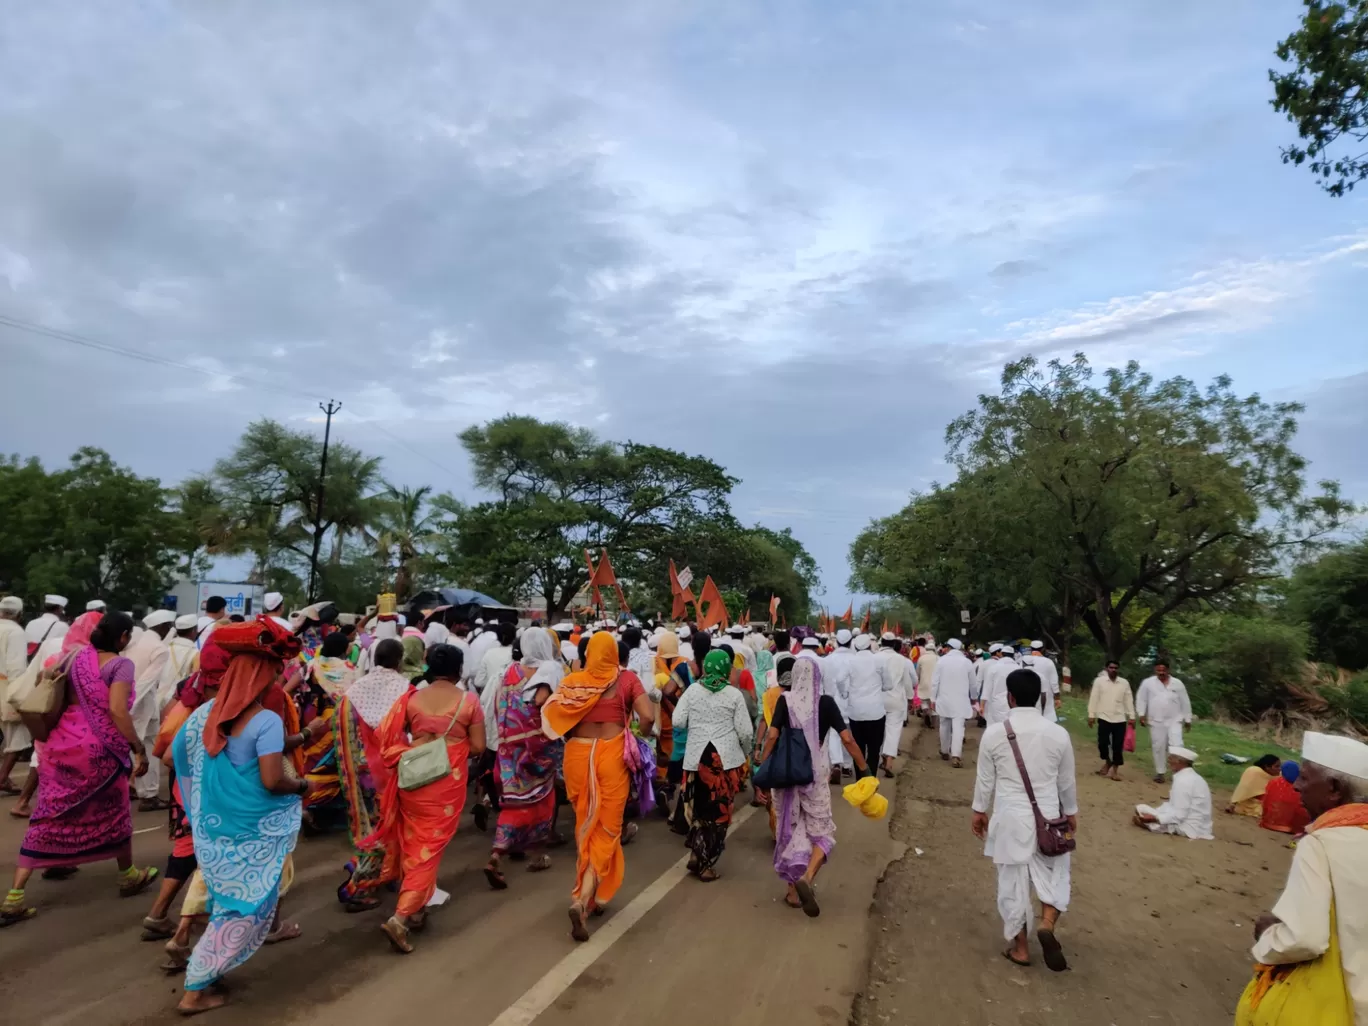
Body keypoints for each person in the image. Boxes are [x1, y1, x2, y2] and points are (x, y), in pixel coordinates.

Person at [170, 618, 310, 1013]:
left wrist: (204, 796)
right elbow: (270, 780)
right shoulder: (265, 719)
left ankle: (212, 975)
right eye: (274, 674)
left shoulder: (204, 716)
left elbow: (177, 756)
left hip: (215, 829)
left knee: (224, 901)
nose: (277, 681)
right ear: (262, 678)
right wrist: (302, 786)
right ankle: (195, 990)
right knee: (245, 908)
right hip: (251, 830)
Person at [2, 612, 159, 927]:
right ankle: (128, 875)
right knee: (114, 811)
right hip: (101, 749)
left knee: (49, 812)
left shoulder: (73, 657)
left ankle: (14, 897)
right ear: (124, 637)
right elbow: (116, 709)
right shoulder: (120, 665)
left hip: (61, 744)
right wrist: (138, 748)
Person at [359, 643, 484, 953]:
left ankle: (417, 908)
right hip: (446, 783)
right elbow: (479, 746)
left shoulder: (412, 698)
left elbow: (388, 734)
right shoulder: (468, 701)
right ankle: (400, 917)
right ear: (458, 669)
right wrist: (452, 742)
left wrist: (419, 743)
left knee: (414, 842)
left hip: (413, 778)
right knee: (429, 849)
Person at [1239, 732, 1368, 1023]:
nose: (1296, 785)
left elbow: (1305, 939)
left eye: (1306, 778)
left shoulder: (1322, 842)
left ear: (1334, 789)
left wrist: (1269, 935)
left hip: (1328, 1005)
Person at [542, 630, 654, 942]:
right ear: (615, 654)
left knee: (584, 823)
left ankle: (588, 896)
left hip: (577, 754)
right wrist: (637, 734)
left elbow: (554, 719)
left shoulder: (573, 680)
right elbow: (647, 717)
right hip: (611, 754)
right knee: (606, 829)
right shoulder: (627, 679)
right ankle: (582, 899)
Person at [971, 667, 1078, 972]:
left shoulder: (994, 733)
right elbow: (1066, 781)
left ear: (1010, 697)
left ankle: (1020, 949)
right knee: (1054, 876)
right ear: (1042, 698)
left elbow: (985, 780)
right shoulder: (1059, 734)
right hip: (1050, 817)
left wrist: (979, 810)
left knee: (1012, 885)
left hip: (1009, 817)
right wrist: (1071, 813)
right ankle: (1046, 923)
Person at [760, 653, 872, 917]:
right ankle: (807, 877)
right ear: (818, 677)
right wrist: (864, 770)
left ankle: (791, 892)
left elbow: (772, 736)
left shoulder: (784, 702)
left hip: (786, 774)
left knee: (791, 828)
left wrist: (764, 769)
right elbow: (848, 739)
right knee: (822, 832)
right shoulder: (826, 703)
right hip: (815, 775)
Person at [483, 628, 564, 889]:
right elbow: (550, 704)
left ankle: (497, 852)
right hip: (539, 746)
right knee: (543, 798)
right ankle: (537, 854)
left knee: (514, 802)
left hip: (509, 747)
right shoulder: (550, 669)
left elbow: (497, 704)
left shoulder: (508, 671)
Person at [335, 638, 410, 911]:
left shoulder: (355, 688)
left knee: (374, 825)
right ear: (399, 661)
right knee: (389, 826)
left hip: (361, 773)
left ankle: (388, 872)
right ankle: (358, 885)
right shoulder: (405, 689)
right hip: (391, 772)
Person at [672, 648, 753, 881]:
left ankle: (696, 854)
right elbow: (746, 732)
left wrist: (697, 727)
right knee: (719, 812)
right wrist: (746, 752)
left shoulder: (692, 691)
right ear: (727, 669)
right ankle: (706, 865)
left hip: (696, 759)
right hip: (722, 761)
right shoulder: (733, 694)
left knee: (698, 808)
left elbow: (678, 720)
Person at [125, 610, 175, 810]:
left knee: (141, 746)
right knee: (146, 748)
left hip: (132, 700)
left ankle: (143, 790)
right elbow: (147, 681)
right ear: (162, 627)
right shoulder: (159, 649)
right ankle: (149, 795)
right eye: (169, 626)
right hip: (141, 703)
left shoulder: (134, 641)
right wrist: (129, 706)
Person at [1132, 746, 1214, 839]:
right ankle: (1154, 823)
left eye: (1171, 758)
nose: (1168, 760)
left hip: (1189, 827)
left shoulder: (1184, 781)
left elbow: (1180, 814)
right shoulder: (1191, 777)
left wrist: (1155, 819)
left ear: (1179, 762)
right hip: (1199, 824)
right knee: (1142, 808)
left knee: (1142, 811)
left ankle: (1153, 826)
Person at [1135, 661, 1192, 783]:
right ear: (1155, 670)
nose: (1161, 673)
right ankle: (1160, 772)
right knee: (1158, 746)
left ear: (1168, 670)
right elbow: (1141, 699)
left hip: (1174, 720)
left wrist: (1188, 719)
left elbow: (1185, 701)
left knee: (1177, 746)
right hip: (1156, 720)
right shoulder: (1148, 683)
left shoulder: (1177, 684)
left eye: (1163, 670)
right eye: (1158, 670)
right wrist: (1141, 714)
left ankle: (1178, 772)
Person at [844, 634, 890, 775]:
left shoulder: (850, 661)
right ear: (870, 645)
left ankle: (860, 782)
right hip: (875, 712)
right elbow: (889, 685)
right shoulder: (880, 660)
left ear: (855, 647)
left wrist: (847, 693)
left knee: (858, 750)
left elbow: (841, 683)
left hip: (856, 713)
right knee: (874, 750)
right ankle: (871, 782)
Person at [932, 638, 978, 768]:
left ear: (949, 647)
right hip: (961, 700)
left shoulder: (941, 661)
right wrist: (974, 698)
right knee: (959, 727)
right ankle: (956, 755)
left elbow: (935, 682)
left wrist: (933, 699)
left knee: (944, 725)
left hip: (944, 699)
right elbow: (973, 684)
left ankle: (944, 750)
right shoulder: (967, 662)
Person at [0, 596, 30, 795]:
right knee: (18, 736)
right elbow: (16, 668)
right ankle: (2, 778)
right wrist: (19, 695)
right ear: (19, 614)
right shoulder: (16, 632)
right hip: (6, 686)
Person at [1087, 660, 1135, 781]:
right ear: (1106, 668)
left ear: (1118, 669)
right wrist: (1091, 714)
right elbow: (1094, 698)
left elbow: (1128, 700)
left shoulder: (1124, 683)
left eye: (1115, 668)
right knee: (1102, 743)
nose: (1113, 670)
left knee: (1117, 746)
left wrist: (1132, 717)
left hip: (1120, 718)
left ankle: (1115, 771)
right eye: (1111, 667)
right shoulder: (1099, 681)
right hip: (1103, 716)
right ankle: (1108, 761)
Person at [875, 635, 915, 777]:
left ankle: (879, 755)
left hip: (878, 699)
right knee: (893, 730)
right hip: (896, 699)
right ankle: (889, 759)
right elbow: (907, 682)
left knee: (879, 731)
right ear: (894, 644)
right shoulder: (901, 660)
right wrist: (910, 699)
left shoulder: (875, 657)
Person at [822, 630, 856, 781]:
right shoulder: (856, 659)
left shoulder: (828, 659)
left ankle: (836, 763)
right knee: (849, 734)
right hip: (853, 701)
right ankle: (847, 766)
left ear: (837, 642)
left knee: (834, 733)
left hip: (833, 701)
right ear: (850, 642)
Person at [1261, 761, 1312, 836]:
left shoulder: (1274, 782)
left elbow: (1265, 801)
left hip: (1268, 823)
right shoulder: (1300, 787)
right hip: (1291, 828)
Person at [474, 621, 516, 696]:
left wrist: (491, 682)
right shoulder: (517, 655)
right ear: (514, 637)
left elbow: (478, 682)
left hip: (490, 699)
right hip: (511, 700)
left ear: (497, 636)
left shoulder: (489, 653)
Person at [1022, 641, 1060, 722]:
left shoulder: (1023, 660)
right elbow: (1054, 682)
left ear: (1031, 649)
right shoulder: (1048, 662)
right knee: (1046, 718)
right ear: (1042, 649)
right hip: (1046, 695)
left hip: (1027, 694)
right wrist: (1057, 698)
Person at [914, 636, 938, 727]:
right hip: (935, 685)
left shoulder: (921, 658)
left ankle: (926, 713)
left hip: (923, 683)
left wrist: (919, 680)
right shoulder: (938, 658)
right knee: (934, 703)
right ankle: (934, 724)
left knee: (924, 702)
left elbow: (918, 672)